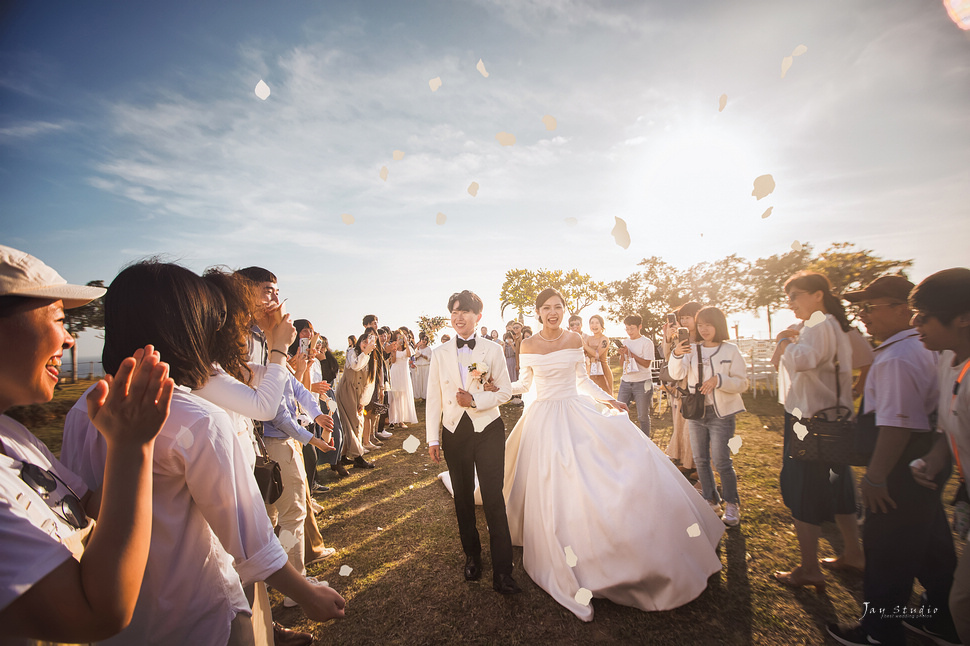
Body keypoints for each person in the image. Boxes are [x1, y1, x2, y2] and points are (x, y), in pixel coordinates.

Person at [63, 260, 345, 645]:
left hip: (126, 622)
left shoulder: (82, 410)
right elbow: (247, 536)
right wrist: (308, 595)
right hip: (201, 611)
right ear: (181, 326)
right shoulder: (196, 418)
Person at [503, 288, 724, 621]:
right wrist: (496, 390)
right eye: (546, 308)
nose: (553, 312)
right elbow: (523, 384)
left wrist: (608, 399)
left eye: (558, 307)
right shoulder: (529, 344)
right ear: (537, 312)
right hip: (544, 417)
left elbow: (581, 382)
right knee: (554, 480)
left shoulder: (575, 340)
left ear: (564, 309)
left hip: (575, 409)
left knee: (613, 461)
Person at [0, 246, 174, 644]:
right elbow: (98, 614)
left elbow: (93, 510)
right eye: (60, 319)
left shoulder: (14, 437)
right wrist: (132, 446)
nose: (70, 340)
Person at [826, 275, 958, 646]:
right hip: (927, 459)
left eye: (870, 308)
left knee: (887, 550)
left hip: (899, 464)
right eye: (860, 308)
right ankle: (941, 616)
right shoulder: (928, 348)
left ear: (904, 309)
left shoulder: (897, 357)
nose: (863, 316)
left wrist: (876, 477)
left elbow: (897, 426)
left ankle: (879, 631)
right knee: (930, 542)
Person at [770, 271, 863, 594]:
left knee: (802, 488)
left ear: (818, 295)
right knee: (839, 486)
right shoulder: (835, 324)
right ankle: (853, 552)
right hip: (832, 419)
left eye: (795, 295)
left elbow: (804, 360)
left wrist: (784, 340)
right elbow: (863, 357)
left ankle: (809, 567)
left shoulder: (818, 324)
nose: (791, 303)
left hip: (810, 421)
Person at [426, 290, 520, 595]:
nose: (458, 317)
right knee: (463, 498)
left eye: (464, 311)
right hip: (454, 432)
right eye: (453, 311)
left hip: (489, 429)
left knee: (494, 497)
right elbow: (433, 400)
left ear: (478, 316)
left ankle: (503, 571)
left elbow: (505, 392)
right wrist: (432, 438)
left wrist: (476, 399)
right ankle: (473, 556)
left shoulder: (492, 350)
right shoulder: (439, 354)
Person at [910, 268, 970, 646]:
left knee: (962, 601)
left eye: (925, 314)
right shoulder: (950, 361)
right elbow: (948, 428)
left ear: (963, 317)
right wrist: (937, 455)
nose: (915, 322)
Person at [667, 306, 748, 526]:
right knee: (701, 460)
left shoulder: (730, 351)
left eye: (708, 324)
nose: (703, 329)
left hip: (721, 414)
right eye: (700, 324)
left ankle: (732, 503)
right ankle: (711, 499)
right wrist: (676, 354)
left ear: (718, 325)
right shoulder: (692, 349)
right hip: (696, 412)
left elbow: (742, 382)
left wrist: (719, 380)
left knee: (721, 461)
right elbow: (677, 374)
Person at [664, 302, 702, 473]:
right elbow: (666, 357)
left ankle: (693, 465)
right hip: (680, 385)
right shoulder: (679, 337)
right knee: (681, 423)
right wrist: (667, 338)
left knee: (692, 424)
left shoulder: (704, 337)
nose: (684, 321)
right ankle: (687, 462)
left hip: (697, 386)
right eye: (682, 318)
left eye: (688, 317)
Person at [334, 330, 377, 469]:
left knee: (356, 422)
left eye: (369, 342)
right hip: (346, 391)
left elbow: (369, 383)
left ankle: (342, 456)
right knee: (352, 422)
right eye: (364, 341)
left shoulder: (371, 359)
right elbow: (355, 365)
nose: (366, 344)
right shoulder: (352, 353)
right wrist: (365, 352)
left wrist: (363, 402)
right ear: (359, 342)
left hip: (358, 394)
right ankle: (358, 457)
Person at [617, 314, 655, 436]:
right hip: (626, 381)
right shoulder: (625, 341)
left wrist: (630, 353)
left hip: (643, 382)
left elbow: (646, 363)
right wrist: (623, 354)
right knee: (619, 412)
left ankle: (646, 440)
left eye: (632, 328)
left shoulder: (646, 342)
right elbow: (621, 364)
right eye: (627, 328)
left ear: (640, 327)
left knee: (643, 415)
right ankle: (624, 437)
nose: (629, 331)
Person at [388, 329, 418, 427]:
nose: (399, 339)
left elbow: (409, 355)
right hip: (395, 371)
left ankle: (401, 420)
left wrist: (406, 341)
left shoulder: (407, 348)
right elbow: (393, 361)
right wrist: (394, 350)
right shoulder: (394, 348)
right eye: (397, 338)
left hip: (404, 372)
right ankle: (393, 419)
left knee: (403, 395)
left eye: (400, 337)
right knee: (395, 395)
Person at [583, 314, 612, 397]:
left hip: (602, 371)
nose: (594, 325)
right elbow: (585, 353)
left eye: (597, 323)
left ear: (601, 325)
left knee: (605, 397)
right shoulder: (589, 339)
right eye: (592, 323)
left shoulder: (604, 339)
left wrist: (584, 345)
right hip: (590, 370)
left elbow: (597, 354)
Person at [412, 333, 433, 400]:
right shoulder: (418, 349)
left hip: (426, 366)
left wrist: (423, 356)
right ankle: (419, 395)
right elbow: (415, 357)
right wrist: (418, 354)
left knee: (425, 381)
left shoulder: (428, 349)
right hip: (419, 366)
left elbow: (430, 358)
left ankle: (425, 396)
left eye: (425, 340)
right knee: (419, 381)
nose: (424, 341)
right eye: (423, 339)